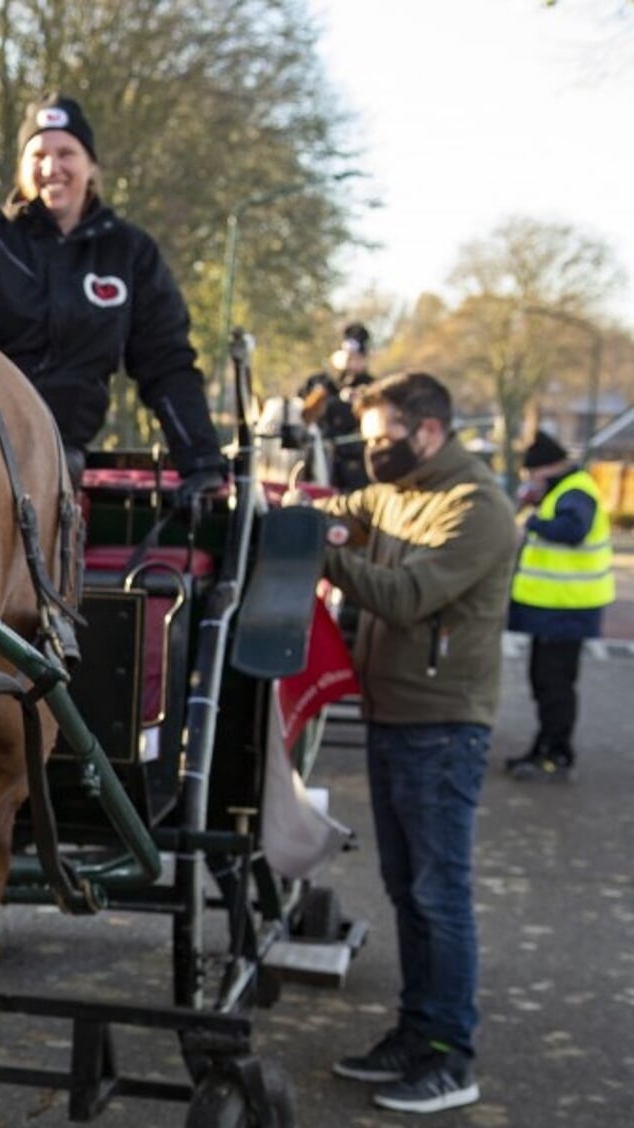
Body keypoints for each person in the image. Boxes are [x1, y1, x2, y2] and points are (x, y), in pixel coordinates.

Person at [309, 372, 513, 1114]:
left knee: (438, 893)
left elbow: (402, 597)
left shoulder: (476, 507)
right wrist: (323, 522)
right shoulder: (397, 491)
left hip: (442, 723)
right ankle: (416, 1031)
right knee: (406, 890)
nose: (369, 455)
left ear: (425, 431)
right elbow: (338, 511)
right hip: (394, 713)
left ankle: (449, 1054)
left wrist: (321, 548)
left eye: (378, 439)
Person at [0, 92, 222, 508]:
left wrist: (201, 462)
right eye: (37, 154)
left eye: (66, 153)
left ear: (91, 164)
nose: (51, 168)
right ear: (21, 167)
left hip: (64, 460)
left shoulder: (128, 252)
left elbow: (166, 363)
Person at [503, 430, 614, 780]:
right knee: (546, 682)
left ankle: (555, 752)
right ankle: (545, 746)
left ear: (545, 467)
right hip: (553, 609)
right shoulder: (564, 489)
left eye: (532, 473)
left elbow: (573, 529)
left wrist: (533, 522)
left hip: (565, 608)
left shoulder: (575, 491)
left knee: (554, 685)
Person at [297, 322, 376, 491]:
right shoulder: (317, 382)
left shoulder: (372, 387)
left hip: (353, 470)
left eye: (357, 358)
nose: (352, 363)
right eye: (348, 357)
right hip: (315, 462)